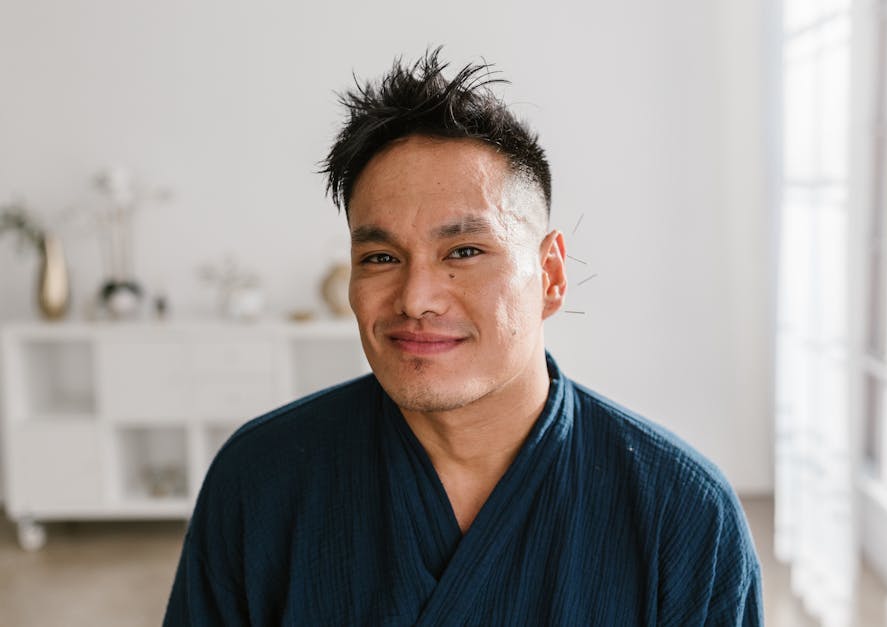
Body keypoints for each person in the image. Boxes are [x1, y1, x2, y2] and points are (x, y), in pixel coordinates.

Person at [163, 48, 763, 626]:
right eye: (379, 257)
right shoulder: (261, 478)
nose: (416, 297)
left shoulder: (681, 515)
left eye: (466, 251)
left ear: (550, 275)